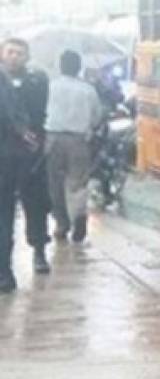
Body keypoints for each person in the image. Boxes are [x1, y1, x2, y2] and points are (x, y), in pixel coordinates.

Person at [1, 38, 52, 274]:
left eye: (19, 53)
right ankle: (4, 267)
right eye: (10, 52)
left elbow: (38, 111)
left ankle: (39, 251)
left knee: (36, 204)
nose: (14, 57)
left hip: (31, 154)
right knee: (4, 211)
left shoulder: (36, 80)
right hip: (4, 154)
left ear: (27, 57)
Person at [45, 50, 104, 244]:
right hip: (79, 141)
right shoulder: (88, 90)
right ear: (79, 68)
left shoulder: (50, 87)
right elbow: (97, 117)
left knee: (54, 184)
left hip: (52, 139)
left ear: (60, 66)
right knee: (77, 183)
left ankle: (61, 224)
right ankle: (79, 216)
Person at [0, 62, 40, 293]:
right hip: (6, 159)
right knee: (4, 215)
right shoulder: (4, 82)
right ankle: (4, 273)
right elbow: (13, 117)